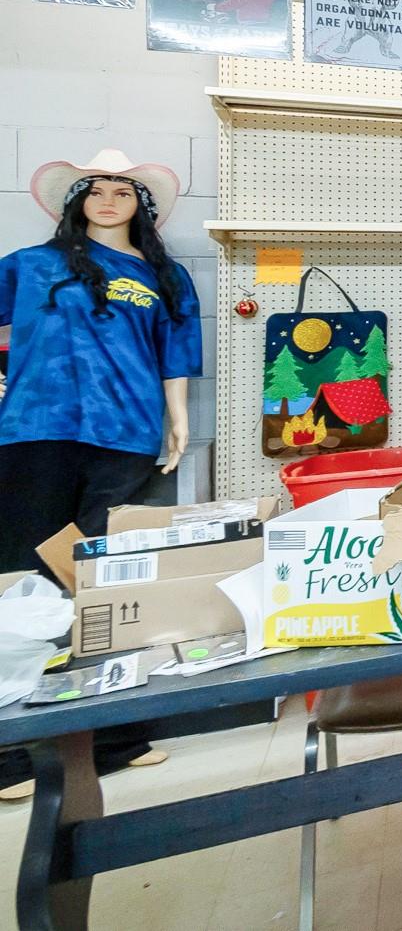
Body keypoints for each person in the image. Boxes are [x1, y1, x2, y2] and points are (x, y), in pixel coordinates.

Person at [0, 150, 200, 793]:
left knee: (107, 581)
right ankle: (11, 753)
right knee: (27, 583)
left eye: (123, 190)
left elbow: (176, 352)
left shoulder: (162, 276)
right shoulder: (30, 266)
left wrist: (178, 418)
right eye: (97, 189)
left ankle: (114, 735)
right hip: (37, 432)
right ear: (77, 199)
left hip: (126, 436)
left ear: (141, 207)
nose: (109, 199)